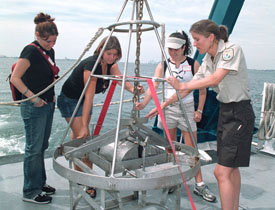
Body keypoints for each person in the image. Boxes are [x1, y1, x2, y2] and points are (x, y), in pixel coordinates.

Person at [165, 20, 255, 210]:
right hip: (225, 112)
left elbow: (215, 79)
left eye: (197, 39)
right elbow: (192, 85)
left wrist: (182, 84)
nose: (194, 44)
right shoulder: (208, 59)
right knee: (232, 169)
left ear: (211, 37)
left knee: (221, 172)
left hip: (239, 113)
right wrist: (162, 105)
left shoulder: (231, 50)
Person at [57, 36, 144, 198]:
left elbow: (121, 80)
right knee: (85, 141)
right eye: (109, 53)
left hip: (82, 100)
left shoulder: (111, 65)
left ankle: (79, 174)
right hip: (69, 100)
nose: (111, 57)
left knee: (79, 138)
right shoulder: (92, 66)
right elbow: (89, 96)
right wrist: (84, 125)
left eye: (115, 54)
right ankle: (88, 182)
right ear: (101, 51)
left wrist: (134, 90)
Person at [136, 31, 216, 202]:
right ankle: (173, 178)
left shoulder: (193, 64)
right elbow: (154, 86)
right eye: (170, 49)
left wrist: (199, 110)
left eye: (176, 49)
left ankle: (199, 183)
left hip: (187, 108)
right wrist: (143, 104)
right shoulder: (163, 65)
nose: (172, 52)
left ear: (184, 48)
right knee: (169, 146)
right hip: (168, 110)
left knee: (191, 148)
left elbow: (202, 89)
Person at [10, 13, 59, 204]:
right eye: (47, 41)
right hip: (34, 107)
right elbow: (15, 78)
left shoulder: (50, 52)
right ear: (37, 35)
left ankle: (40, 182)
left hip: (47, 104)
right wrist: (33, 98)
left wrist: (51, 96)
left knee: (42, 147)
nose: (51, 45)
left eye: (54, 41)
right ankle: (30, 191)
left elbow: (48, 77)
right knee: (33, 148)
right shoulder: (29, 51)